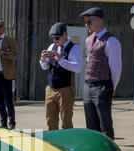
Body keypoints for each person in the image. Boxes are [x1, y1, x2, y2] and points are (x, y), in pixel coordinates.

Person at [80, 7, 122, 140]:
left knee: (105, 125)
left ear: (98, 20)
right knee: (91, 124)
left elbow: (116, 68)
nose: (86, 25)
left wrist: (112, 87)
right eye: (85, 22)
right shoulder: (88, 40)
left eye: (89, 22)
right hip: (88, 86)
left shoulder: (111, 41)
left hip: (102, 86)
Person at [40, 22, 82, 131]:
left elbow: (78, 68)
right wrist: (42, 60)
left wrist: (60, 59)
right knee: (50, 119)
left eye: (57, 38)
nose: (55, 41)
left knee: (66, 121)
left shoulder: (74, 48)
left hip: (66, 89)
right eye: (53, 38)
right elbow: (45, 67)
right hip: (50, 88)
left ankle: (66, 144)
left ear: (64, 35)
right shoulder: (52, 46)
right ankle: (53, 144)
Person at [0, 20, 18, 129]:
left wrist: (1, 53)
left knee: (8, 100)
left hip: (5, 75)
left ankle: (12, 123)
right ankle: (3, 123)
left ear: (2, 28)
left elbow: (15, 55)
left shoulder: (10, 40)